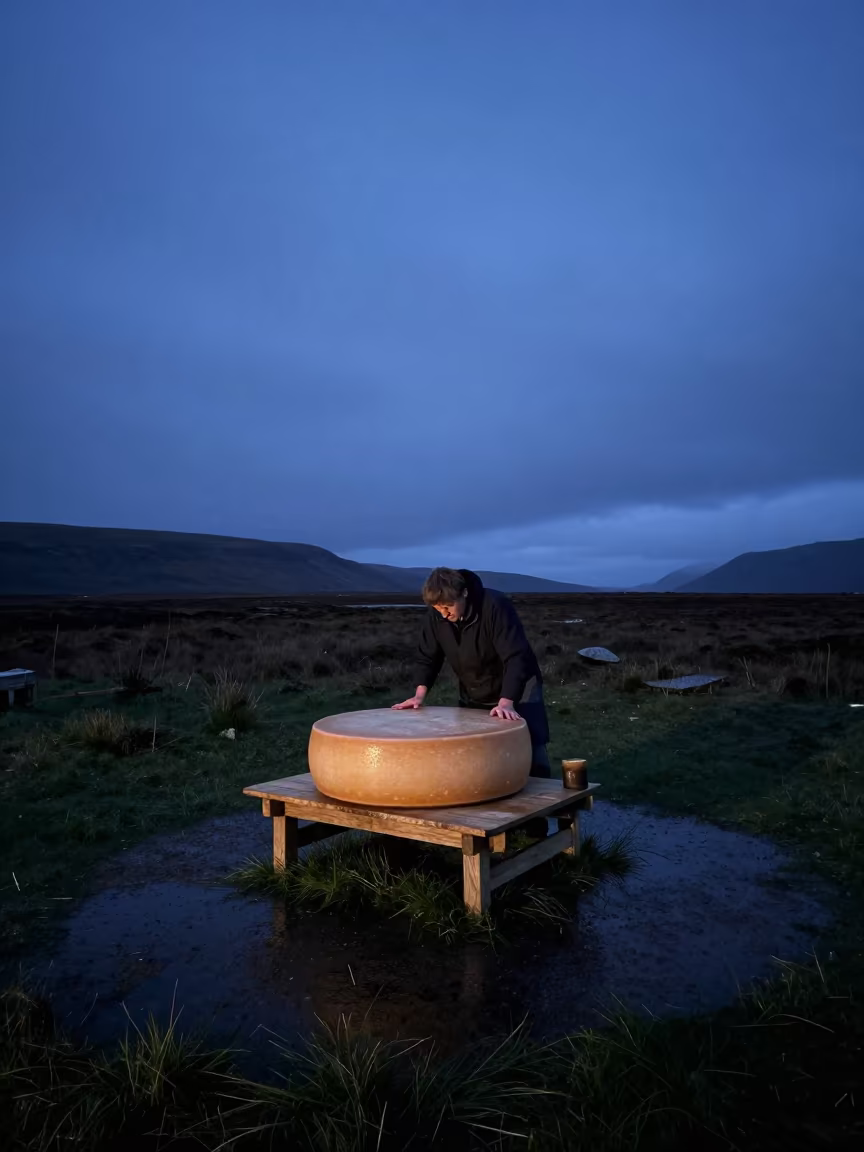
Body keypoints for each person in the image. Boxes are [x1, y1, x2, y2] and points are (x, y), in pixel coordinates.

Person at [393, 567, 552, 781]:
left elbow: (516, 657)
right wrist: (419, 695)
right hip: (474, 687)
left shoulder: (495, 606)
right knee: (478, 749)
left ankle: (544, 803)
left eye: (448, 606)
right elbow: (428, 657)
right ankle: (491, 798)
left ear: (464, 593)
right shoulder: (437, 615)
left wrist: (506, 701)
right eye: (438, 608)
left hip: (519, 686)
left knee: (529, 745)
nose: (444, 614)